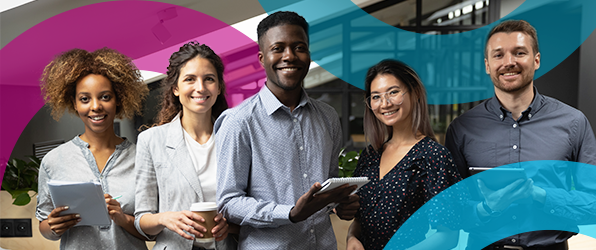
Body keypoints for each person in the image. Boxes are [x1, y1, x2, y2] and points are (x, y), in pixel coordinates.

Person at [445, 20, 596, 250]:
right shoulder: (462, 128)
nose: (509, 62)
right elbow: (450, 211)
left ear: (536, 60)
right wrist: (487, 208)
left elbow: (595, 204)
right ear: (487, 65)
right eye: (498, 55)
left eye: (519, 53)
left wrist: (540, 195)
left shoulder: (573, 122)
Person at [215, 11, 360, 249]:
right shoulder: (238, 121)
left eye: (299, 47)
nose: (289, 56)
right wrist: (290, 213)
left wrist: (341, 203)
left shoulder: (328, 117)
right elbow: (229, 203)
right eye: (278, 48)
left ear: (309, 54)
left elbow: (329, 187)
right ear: (262, 58)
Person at [36, 48, 149, 249]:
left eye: (105, 97)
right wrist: (53, 226)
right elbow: (44, 226)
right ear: (74, 103)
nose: (95, 106)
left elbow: (153, 232)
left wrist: (123, 219)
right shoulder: (53, 161)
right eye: (85, 99)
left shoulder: (142, 158)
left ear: (118, 99)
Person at [345, 60, 462, 250]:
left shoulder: (433, 155)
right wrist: (352, 238)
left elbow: (448, 236)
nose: (385, 103)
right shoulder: (370, 155)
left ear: (414, 92)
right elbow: (360, 220)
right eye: (376, 97)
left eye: (393, 92)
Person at [133, 41, 235, 250]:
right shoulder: (151, 141)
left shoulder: (234, 138)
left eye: (209, 79)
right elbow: (142, 220)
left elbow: (250, 205)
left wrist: (231, 226)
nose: (200, 88)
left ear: (218, 88)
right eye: (190, 79)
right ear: (176, 89)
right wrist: (165, 219)